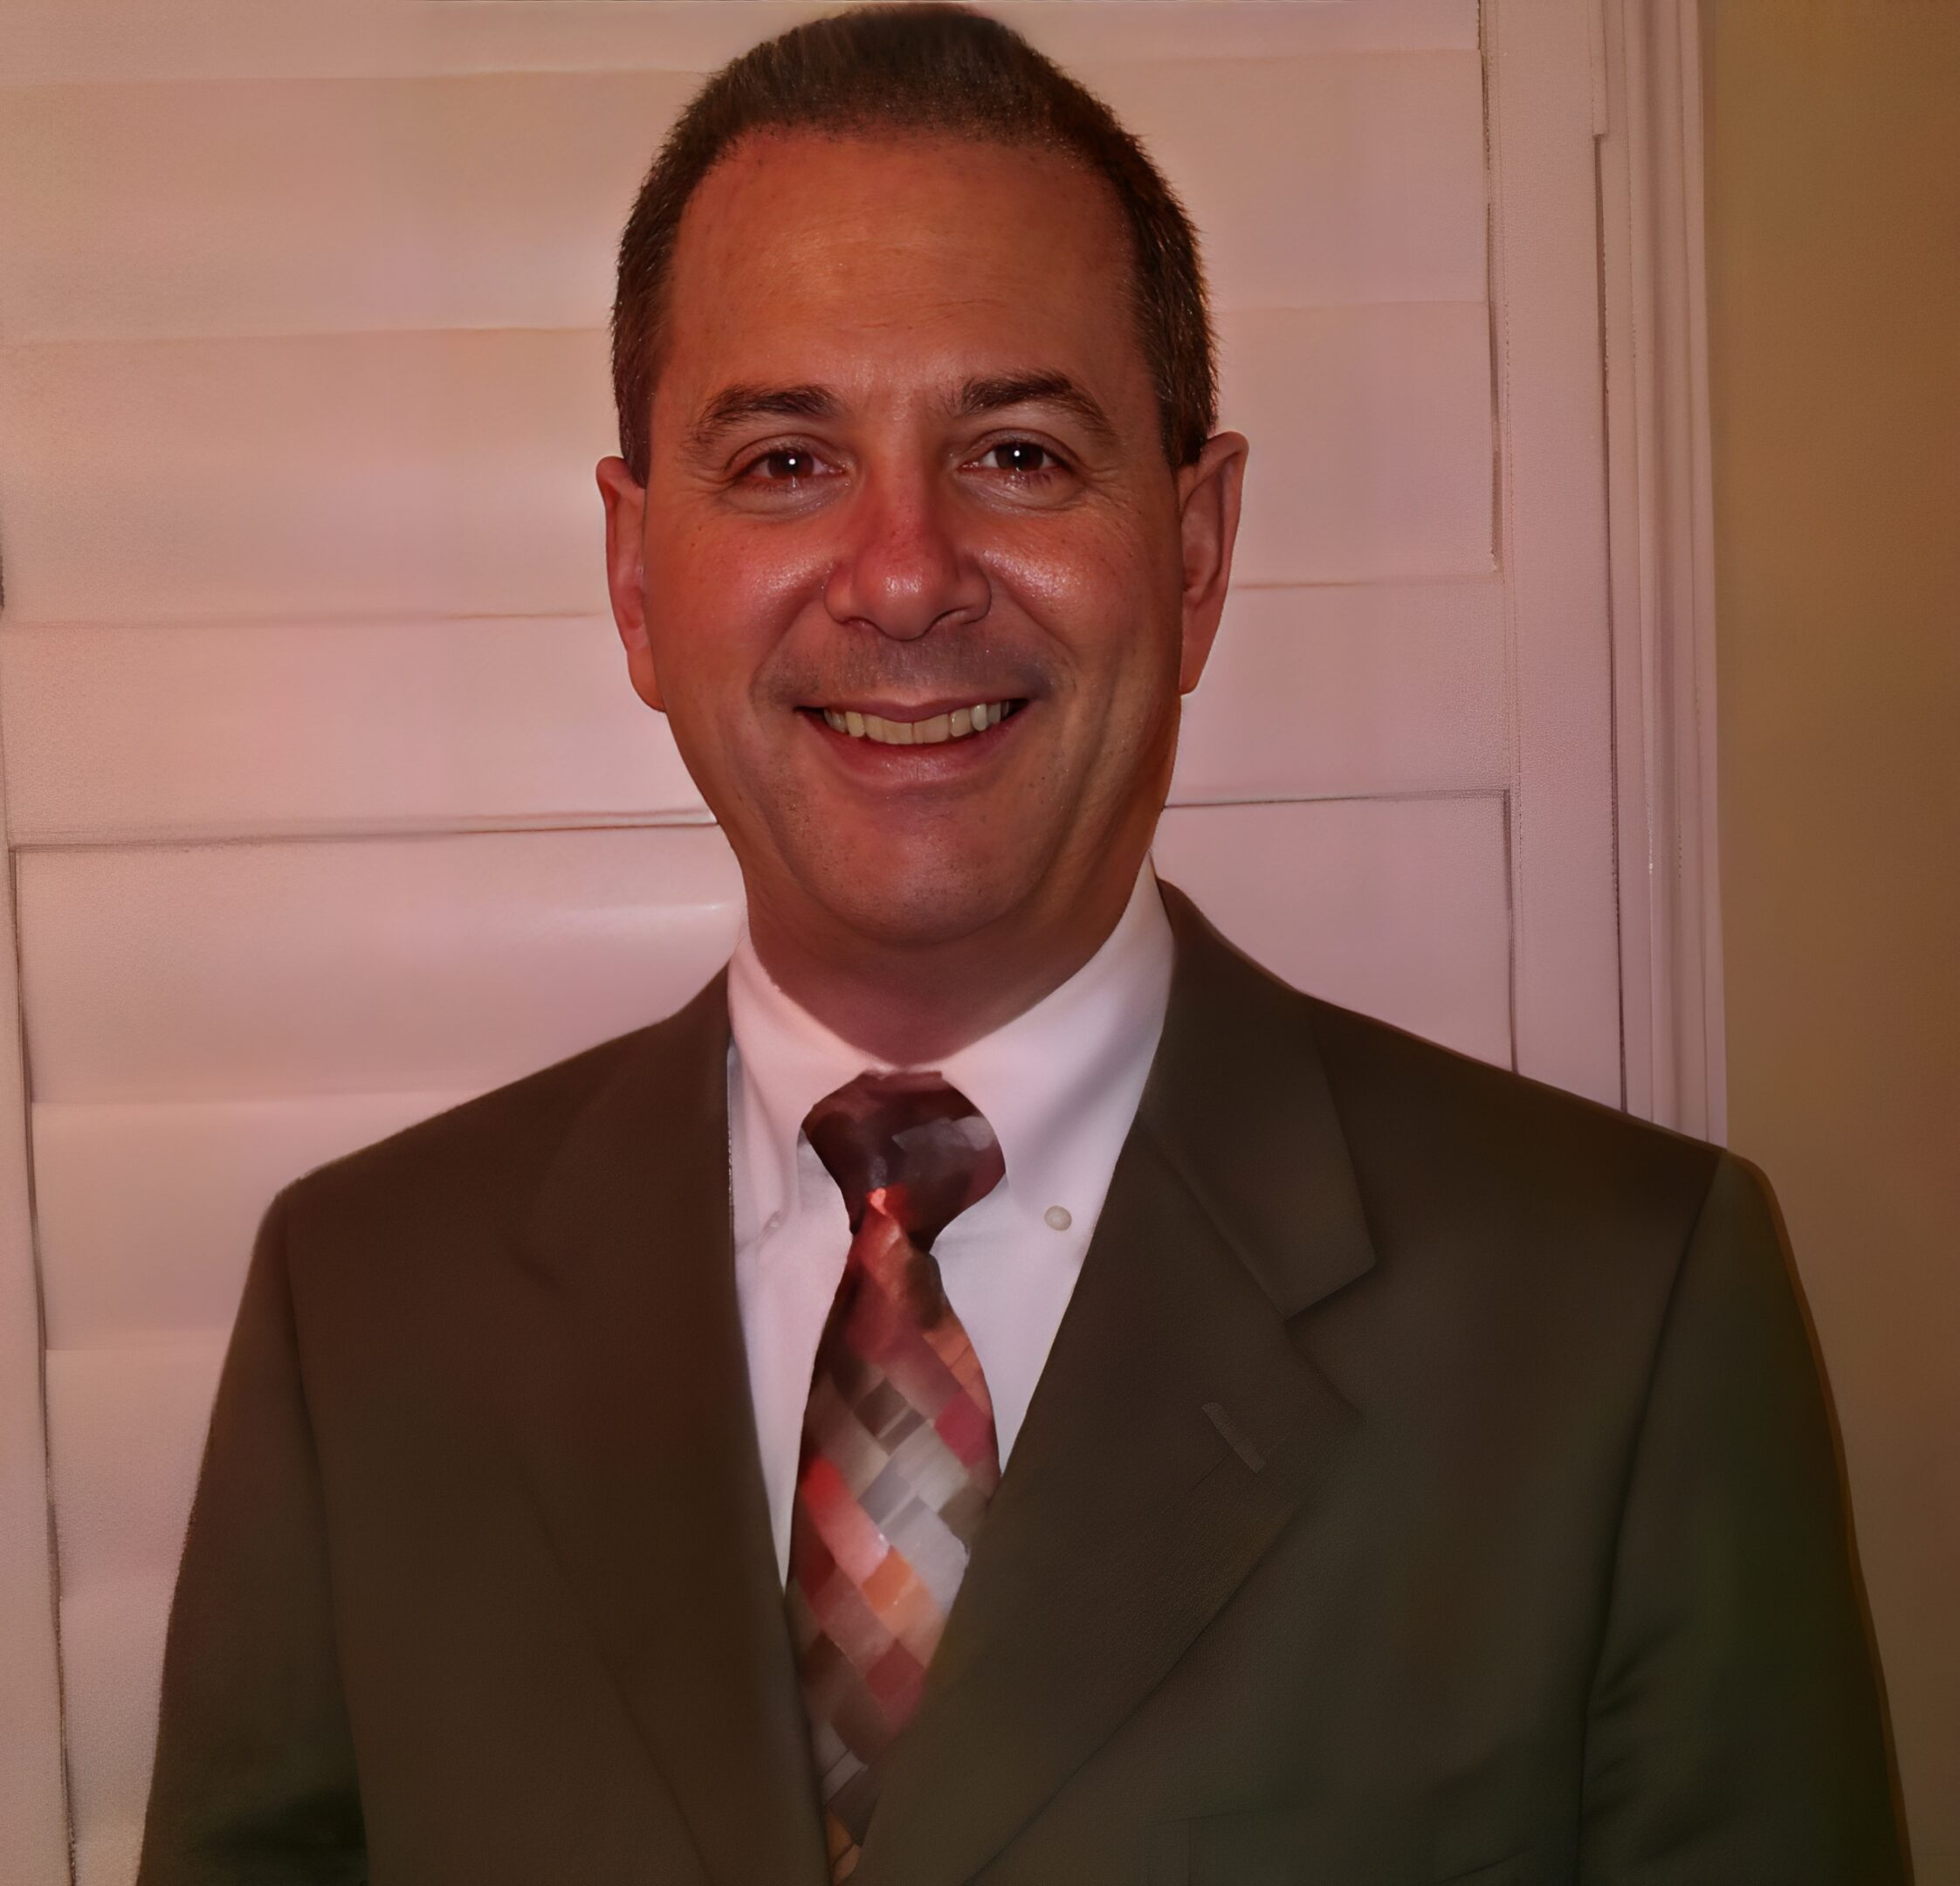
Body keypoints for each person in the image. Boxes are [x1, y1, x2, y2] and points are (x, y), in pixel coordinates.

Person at [136, 7, 1904, 1882]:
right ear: (636, 578)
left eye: (1018, 453)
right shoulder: (364, 1315)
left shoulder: (1619, 1322)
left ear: (1194, 552)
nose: (903, 575)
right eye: (785, 462)